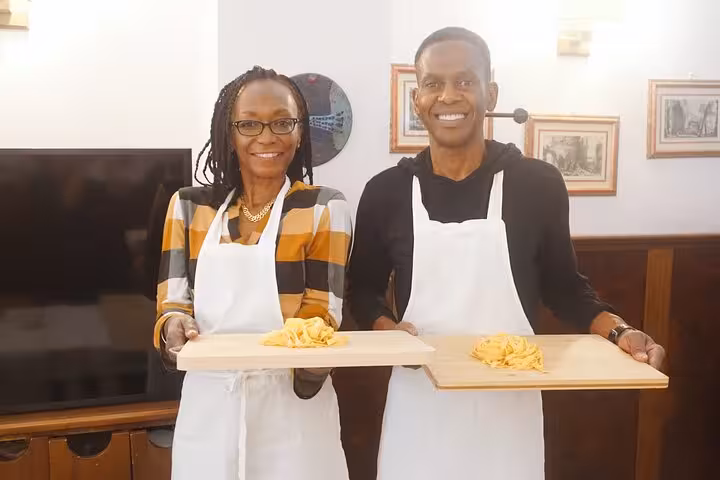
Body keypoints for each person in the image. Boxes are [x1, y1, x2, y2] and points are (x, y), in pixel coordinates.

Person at [347, 27, 666, 480]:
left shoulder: (536, 184)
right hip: (419, 403)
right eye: (434, 84)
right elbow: (363, 292)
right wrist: (389, 330)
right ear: (416, 99)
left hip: (511, 407)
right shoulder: (386, 192)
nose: (449, 96)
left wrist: (620, 331)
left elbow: (564, 289)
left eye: (465, 81)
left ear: (490, 93)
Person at [153, 66, 352, 480]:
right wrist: (174, 330)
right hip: (209, 405)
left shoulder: (323, 208)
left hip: (291, 412)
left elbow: (321, 316)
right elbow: (171, 304)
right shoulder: (189, 207)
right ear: (229, 133)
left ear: (300, 133)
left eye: (282, 122)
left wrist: (317, 366)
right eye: (249, 124)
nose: (267, 137)